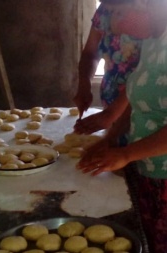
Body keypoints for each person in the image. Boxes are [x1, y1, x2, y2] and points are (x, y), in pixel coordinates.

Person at [77, 0, 167, 251]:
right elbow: (134, 95)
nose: (115, 24)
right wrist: (111, 138)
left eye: (120, 13)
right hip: (149, 169)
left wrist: (126, 153)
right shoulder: (152, 41)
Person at [73, 0, 143, 135]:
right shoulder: (105, 9)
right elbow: (90, 53)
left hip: (141, 103)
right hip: (111, 98)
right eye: (111, 11)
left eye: (119, 12)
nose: (114, 16)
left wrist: (111, 114)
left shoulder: (154, 19)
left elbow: (145, 74)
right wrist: (84, 84)